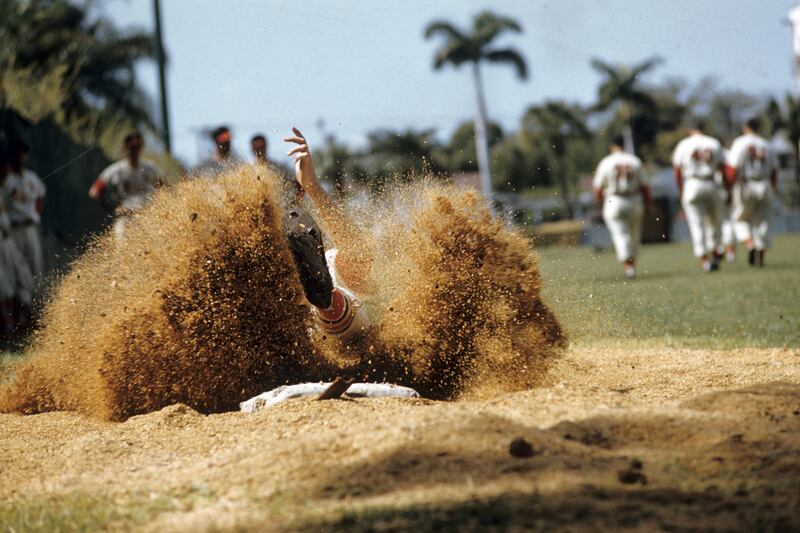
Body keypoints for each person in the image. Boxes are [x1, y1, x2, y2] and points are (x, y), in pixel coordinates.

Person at [282, 127, 373, 340]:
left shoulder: (332, 262)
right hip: (304, 350)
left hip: (350, 327)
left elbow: (358, 253)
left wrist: (313, 187)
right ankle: (322, 295)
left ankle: (324, 297)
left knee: (342, 275)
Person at [593, 135, 654, 279]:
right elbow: (645, 187)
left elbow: (598, 188)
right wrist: (649, 204)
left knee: (620, 234)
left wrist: (600, 205)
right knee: (635, 235)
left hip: (614, 199)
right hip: (634, 199)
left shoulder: (606, 162)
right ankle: (631, 265)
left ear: (611, 146)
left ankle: (628, 266)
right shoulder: (634, 160)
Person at [672, 121, 727, 272]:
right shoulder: (713, 143)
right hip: (711, 182)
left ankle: (704, 260)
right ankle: (715, 249)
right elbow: (723, 168)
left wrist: (681, 189)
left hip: (692, 183)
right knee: (715, 222)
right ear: (704, 129)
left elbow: (677, 170)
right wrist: (727, 188)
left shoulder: (684, 144)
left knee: (697, 224)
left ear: (691, 129)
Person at [89, 132, 163, 240]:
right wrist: (112, 208)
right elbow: (94, 191)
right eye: (132, 147)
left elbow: (165, 187)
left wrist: (159, 207)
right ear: (125, 148)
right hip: (126, 218)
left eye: (137, 147)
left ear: (141, 147)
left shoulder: (150, 168)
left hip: (148, 218)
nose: (134, 150)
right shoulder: (115, 170)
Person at [725, 118, 778, 268]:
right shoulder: (767, 144)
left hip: (746, 183)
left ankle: (749, 244)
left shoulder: (740, 142)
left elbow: (732, 168)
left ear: (745, 127)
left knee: (739, 219)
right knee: (763, 221)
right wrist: (774, 189)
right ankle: (760, 258)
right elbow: (775, 170)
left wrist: (729, 188)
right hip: (765, 183)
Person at [3, 139, 46, 287]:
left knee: (35, 267)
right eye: (17, 155)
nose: (20, 158)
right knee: (16, 270)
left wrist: (36, 215)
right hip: (13, 230)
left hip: (30, 228)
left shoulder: (31, 177)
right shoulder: (6, 180)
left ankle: (34, 304)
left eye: (23, 155)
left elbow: (41, 195)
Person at [0, 152, 34, 333]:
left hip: (8, 237)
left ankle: (23, 321)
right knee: (4, 283)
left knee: (22, 276)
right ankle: (8, 325)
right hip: (4, 238)